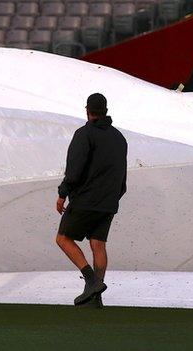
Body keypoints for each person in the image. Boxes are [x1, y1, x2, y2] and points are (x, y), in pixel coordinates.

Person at [55, 93, 127, 307]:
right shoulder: (119, 138)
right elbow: (121, 173)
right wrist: (115, 196)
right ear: (105, 110)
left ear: (88, 110)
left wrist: (62, 193)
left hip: (86, 200)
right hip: (109, 202)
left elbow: (74, 169)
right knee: (98, 245)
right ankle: (96, 296)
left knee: (63, 238)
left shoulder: (84, 134)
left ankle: (91, 281)